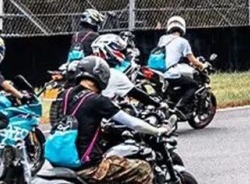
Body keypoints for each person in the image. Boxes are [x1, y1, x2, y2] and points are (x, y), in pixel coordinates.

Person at [50, 56, 168, 184]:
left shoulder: (66, 94)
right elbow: (133, 124)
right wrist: (158, 131)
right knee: (142, 169)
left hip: (61, 160)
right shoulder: (98, 100)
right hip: (87, 167)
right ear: (101, 75)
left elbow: (79, 118)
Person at [153, 16, 209, 115]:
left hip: (158, 71)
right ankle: (180, 107)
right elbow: (193, 60)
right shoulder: (183, 42)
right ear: (183, 27)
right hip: (169, 72)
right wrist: (202, 66)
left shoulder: (163, 39)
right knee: (193, 85)